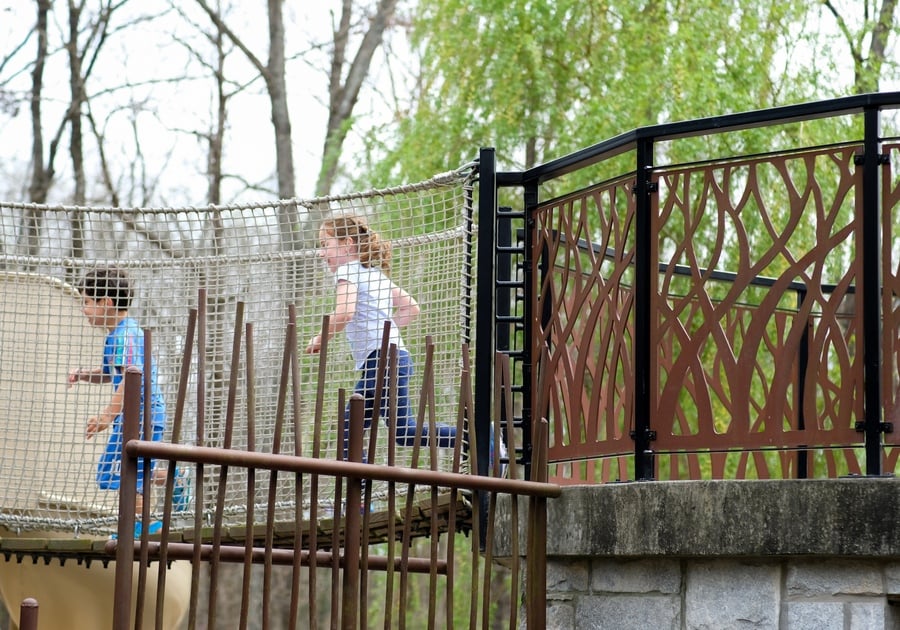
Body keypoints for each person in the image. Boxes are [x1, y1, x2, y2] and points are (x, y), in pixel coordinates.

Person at [304, 215, 457, 460]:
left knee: (357, 431)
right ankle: (478, 435)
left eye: (325, 244)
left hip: (382, 360)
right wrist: (384, 332)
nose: (322, 253)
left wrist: (320, 338)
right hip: (392, 358)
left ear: (348, 244)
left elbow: (344, 313)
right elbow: (411, 307)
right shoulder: (374, 275)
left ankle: (478, 436)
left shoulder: (347, 271)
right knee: (390, 431)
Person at [67, 267, 166, 535]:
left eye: (87, 302)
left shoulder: (126, 334)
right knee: (122, 471)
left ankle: (141, 525)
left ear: (106, 303)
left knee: (121, 471)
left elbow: (129, 378)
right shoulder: (115, 335)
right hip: (132, 415)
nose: (83, 309)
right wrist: (83, 374)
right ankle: (174, 478)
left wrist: (106, 416)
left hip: (142, 414)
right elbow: (111, 372)